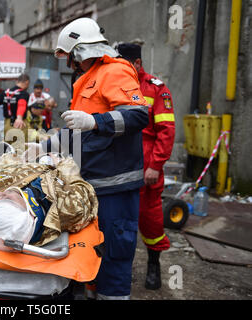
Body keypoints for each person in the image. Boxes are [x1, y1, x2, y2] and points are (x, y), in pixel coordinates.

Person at [26, 17, 149, 299]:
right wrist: (45, 146)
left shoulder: (114, 71)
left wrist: (96, 121)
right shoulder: (87, 79)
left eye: (71, 58)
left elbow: (138, 115)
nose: (70, 64)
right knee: (93, 253)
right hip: (93, 185)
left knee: (114, 256)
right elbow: (79, 132)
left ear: (80, 51)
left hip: (115, 187)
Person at [116, 42, 176, 290]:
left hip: (146, 170)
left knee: (150, 220)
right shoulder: (116, 84)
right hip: (119, 169)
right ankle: (120, 269)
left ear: (137, 63)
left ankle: (153, 265)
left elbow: (166, 130)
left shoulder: (156, 89)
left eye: (124, 64)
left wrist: (156, 165)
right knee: (118, 221)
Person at [0, 152, 98, 246]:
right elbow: (81, 186)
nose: (1, 195)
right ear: (30, 213)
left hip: (24, 165)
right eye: (7, 200)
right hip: (56, 171)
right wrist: (61, 163)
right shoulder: (70, 208)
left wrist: (17, 159)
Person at [0, 74, 30, 151]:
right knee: (20, 149)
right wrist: (19, 118)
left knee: (5, 148)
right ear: (27, 82)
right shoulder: (23, 93)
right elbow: (22, 104)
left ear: (17, 81)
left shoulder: (5, 93)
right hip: (19, 125)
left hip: (6, 125)